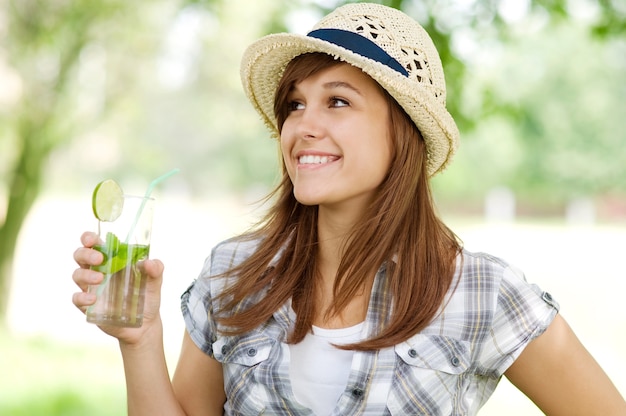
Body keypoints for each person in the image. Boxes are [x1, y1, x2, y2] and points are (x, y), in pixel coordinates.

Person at [72, 3, 626, 415]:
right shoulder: (233, 274)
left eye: (338, 101)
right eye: (295, 104)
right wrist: (141, 341)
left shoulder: (482, 293)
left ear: (402, 131)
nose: (303, 125)